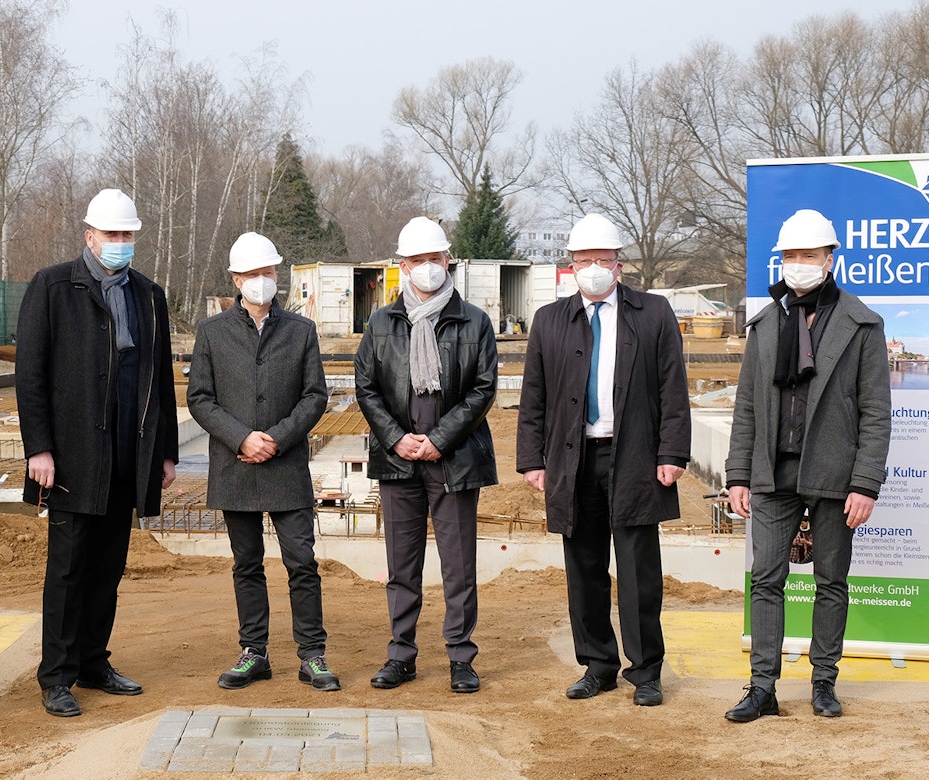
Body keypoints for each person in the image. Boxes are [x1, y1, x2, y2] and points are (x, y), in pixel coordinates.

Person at [516, 214, 690, 707]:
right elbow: (534, 397)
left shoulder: (653, 313)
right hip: (573, 461)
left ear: (619, 264)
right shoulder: (551, 320)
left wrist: (672, 453)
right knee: (584, 566)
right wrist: (533, 460)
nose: (593, 267)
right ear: (570, 265)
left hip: (634, 457)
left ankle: (646, 671)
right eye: (583, 260)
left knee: (639, 570)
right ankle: (597, 665)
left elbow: (673, 390)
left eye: (602, 259)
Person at [16, 188, 179, 718]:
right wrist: (38, 448)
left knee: (108, 567)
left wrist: (166, 453)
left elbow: (160, 379)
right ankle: (56, 676)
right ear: (90, 236)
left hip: (128, 457)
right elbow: (30, 376)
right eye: (112, 234)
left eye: (128, 235)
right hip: (72, 457)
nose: (121, 243)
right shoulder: (53, 286)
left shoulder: (149, 295)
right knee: (67, 569)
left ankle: (93, 662)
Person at [724, 209, 891, 722]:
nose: (797, 264)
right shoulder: (767, 322)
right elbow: (747, 405)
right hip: (773, 472)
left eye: (808, 255)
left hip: (835, 475)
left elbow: (876, 412)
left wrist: (865, 483)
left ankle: (824, 682)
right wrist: (737, 474)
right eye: (790, 256)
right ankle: (762, 687)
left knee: (830, 581)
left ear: (830, 258)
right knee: (767, 579)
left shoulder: (861, 324)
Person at [186, 232, 336, 692]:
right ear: (236, 279)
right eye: (252, 274)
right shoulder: (212, 333)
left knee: (302, 562)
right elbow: (200, 398)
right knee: (245, 563)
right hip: (236, 466)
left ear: (277, 275)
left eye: (268, 273)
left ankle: (313, 655)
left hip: (285, 465)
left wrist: (277, 437)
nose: (261, 281)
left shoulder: (300, 331)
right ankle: (254, 652)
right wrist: (241, 437)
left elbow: (315, 397)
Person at [354, 216, 497, 694]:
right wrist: (398, 438)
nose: (427, 268)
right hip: (398, 461)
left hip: (453, 459)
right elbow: (367, 387)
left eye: (434, 259)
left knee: (459, 564)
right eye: (417, 260)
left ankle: (460, 656)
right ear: (402, 266)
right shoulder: (380, 322)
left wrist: (439, 439)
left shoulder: (474, 320)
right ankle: (401, 655)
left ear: (447, 260)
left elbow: (482, 389)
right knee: (402, 565)